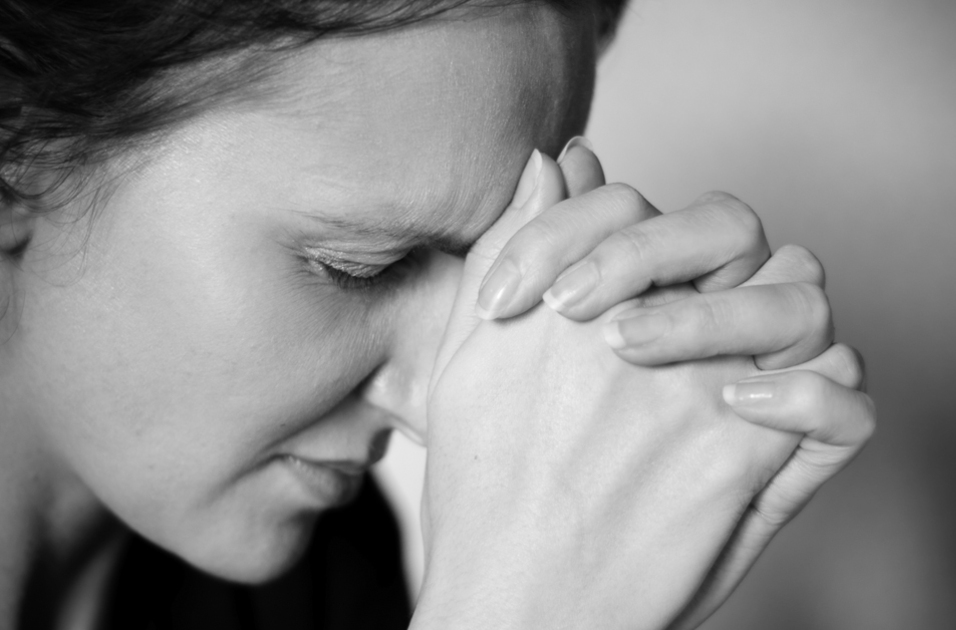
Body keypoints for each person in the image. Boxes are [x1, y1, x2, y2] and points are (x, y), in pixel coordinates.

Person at [0, 1, 875, 628]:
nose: (433, 404)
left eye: (496, 267)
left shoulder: (327, 576)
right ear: (17, 149)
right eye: (357, 268)